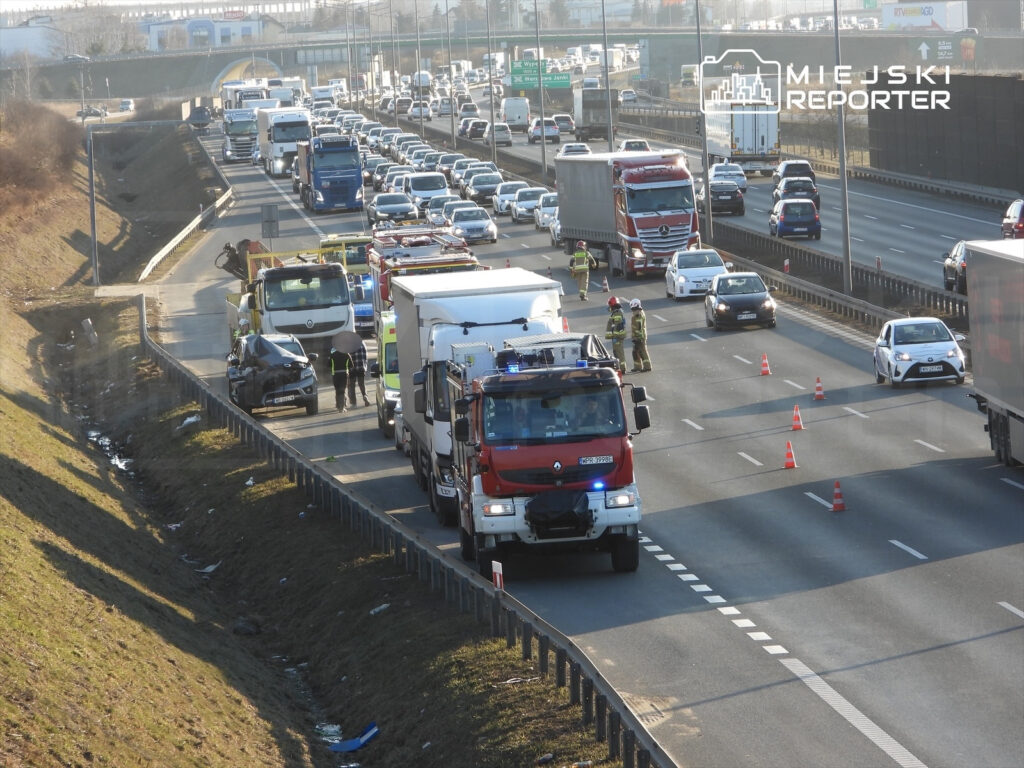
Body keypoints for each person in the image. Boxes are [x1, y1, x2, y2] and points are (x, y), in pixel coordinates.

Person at [605, 296, 627, 373]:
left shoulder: (617, 313)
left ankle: (622, 368)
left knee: (619, 352)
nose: (609, 307)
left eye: (610, 305)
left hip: (617, 337)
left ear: (613, 305)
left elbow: (617, 326)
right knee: (616, 352)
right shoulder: (616, 312)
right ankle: (620, 368)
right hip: (616, 336)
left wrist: (615, 336)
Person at [629, 298, 652, 372]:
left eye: (633, 308)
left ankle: (647, 366)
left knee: (643, 351)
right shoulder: (638, 313)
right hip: (637, 336)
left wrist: (638, 338)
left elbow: (639, 327)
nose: (632, 310)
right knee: (635, 352)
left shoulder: (639, 314)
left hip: (640, 337)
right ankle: (637, 367)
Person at [347, 338, 371, 407]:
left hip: (352, 368)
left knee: (351, 385)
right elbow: (365, 355)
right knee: (361, 384)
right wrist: (364, 365)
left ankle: (353, 403)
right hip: (361, 367)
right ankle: (365, 396)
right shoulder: (362, 343)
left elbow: (347, 356)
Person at [329, 346, 353, 412]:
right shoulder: (347, 354)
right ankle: (341, 408)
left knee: (337, 390)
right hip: (344, 374)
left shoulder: (333, 355)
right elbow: (351, 365)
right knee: (342, 391)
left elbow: (329, 365)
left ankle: (338, 405)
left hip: (335, 375)